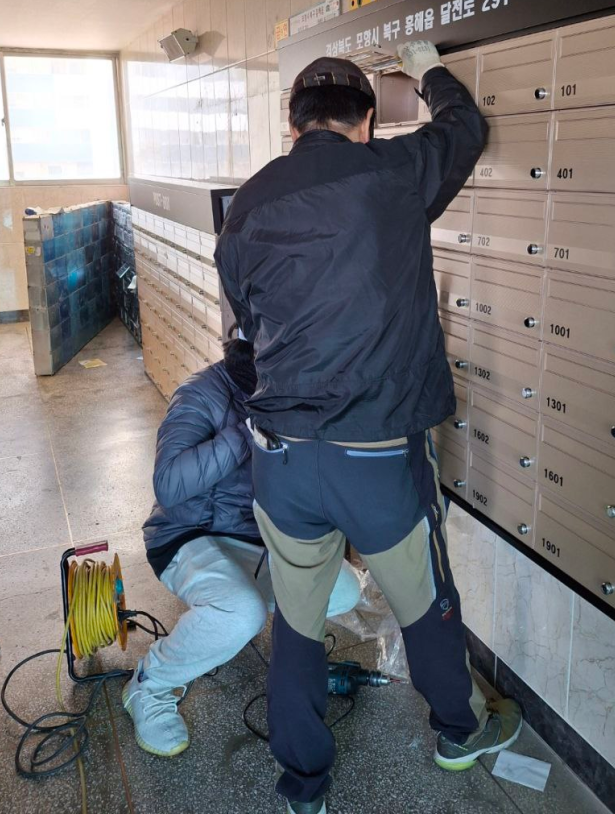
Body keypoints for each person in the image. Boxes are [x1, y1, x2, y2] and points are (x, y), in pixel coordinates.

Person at [214, 41, 523, 814]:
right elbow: (463, 128)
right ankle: (460, 732)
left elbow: (245, 326)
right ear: (365, 123)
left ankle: (303, 783)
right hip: (375, 457)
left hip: (281, 459)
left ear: (293, 125)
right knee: (424, 602)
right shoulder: (392, 171)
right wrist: (428, 68)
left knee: (296, 620)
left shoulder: (246, 204)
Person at [122, 335, 360, 758]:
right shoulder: (202, 393)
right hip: (189, 534)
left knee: (342, 588)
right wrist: (247, 431)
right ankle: (150, 683)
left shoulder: (290, 393)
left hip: (256, 536)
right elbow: (169, 484)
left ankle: (270, 649)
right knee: (241, 612)